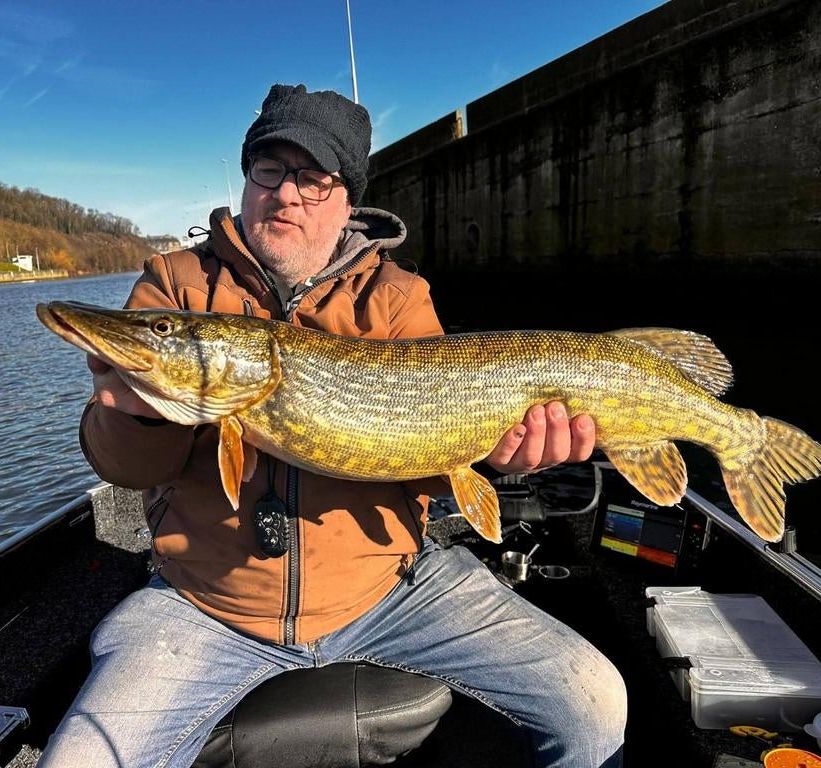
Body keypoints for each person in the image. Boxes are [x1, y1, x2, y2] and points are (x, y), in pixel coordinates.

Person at [39, 84, 627, 768]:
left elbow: (436, 461)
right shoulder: (175, 286)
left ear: (347, 200)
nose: (286, 193)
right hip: (206, 601)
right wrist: (132, 411)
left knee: (595, 699)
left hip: (391, 588)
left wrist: (510, 460)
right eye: (270, 169)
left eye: (313, 179)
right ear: (248, 179)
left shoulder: (398, 297)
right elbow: (125, 467)